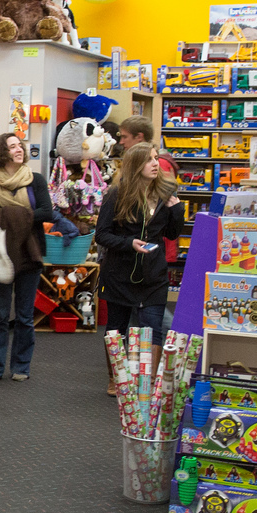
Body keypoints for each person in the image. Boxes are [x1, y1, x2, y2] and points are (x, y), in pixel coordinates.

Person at [0, 133, 77, 380]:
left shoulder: (36, 180)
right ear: (1, 152)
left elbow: (48, 213)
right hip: (0, 253)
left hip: (30, 253)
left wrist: (7, 216)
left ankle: (21, 366)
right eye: (12, 147)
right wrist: (20, 217)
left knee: (24, 316)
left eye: (20, 146)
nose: (19, 150)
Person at [95, 142, 187, 393]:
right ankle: (116, 378)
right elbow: (102, 235)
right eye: (149, 160)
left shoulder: (167, 191)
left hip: (153, 274)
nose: (156, 163)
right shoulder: (117, 194)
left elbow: (172, 232)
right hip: (119, 273)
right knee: (116, 329)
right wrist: (128, 243)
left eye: (156, 158)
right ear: (136, 166)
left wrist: (176, 209)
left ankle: (147, 382)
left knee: (153, 327)